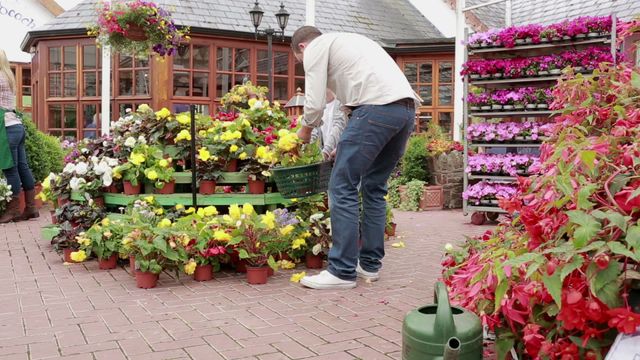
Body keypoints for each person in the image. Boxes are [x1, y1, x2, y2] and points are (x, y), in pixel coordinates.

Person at [292, 26, 420, 289]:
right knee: (374, 187)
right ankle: (369, 266)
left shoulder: (316, 47)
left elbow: (315, 104)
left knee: (341, 186)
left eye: (299, 63)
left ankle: (341, 271)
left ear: (302, 48)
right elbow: (349, 104)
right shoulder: (354, 42)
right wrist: (344, 142)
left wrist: (303, 134)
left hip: (375, 110)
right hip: (404, 111)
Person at [0, 49, 38, 223]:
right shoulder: (8, 76)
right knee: (22, 167)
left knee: (11, 170)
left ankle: (13, 211)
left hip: (7, 128)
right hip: (17, 126)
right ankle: (31, 208)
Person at [310, 89, 347, 159]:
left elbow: (339, 126)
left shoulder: (341, 101)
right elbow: (314, 129)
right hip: (326, 157)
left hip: (339, 154)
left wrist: (326, 152)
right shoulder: (318, 106)